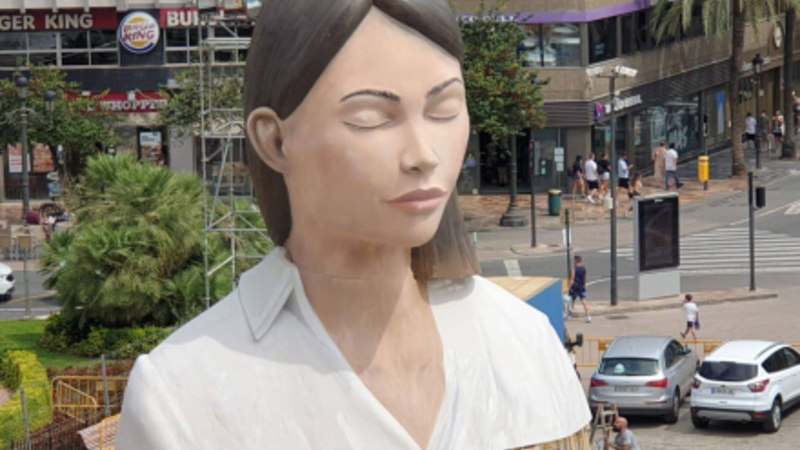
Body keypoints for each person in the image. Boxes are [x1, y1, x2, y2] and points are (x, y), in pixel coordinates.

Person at [115, 2, 591, 449]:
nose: (424, 154)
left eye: (444, 110)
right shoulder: (183, 395)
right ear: (275, 140)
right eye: (370, 118)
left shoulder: (523, 343)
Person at [568, 255, 591, 323]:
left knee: (571, 301)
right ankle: (588, 316)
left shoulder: (574, 269)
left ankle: (569, 314)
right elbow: (586, 277)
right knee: (584, 301)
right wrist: (584, 284)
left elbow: (572, 279)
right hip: (581, 286)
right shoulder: (584, 268)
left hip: (575, 287)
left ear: (575, 261)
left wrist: (569, 287)